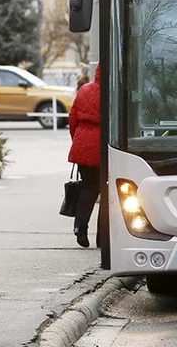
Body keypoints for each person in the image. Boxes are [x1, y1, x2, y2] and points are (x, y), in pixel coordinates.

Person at [68, 64, 102, 248]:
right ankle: (103, 237)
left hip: (83, 144)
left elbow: (72, 119)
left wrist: (78, 141)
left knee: (88, 189)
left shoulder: (84, 89)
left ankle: (80, 226)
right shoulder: (115, 91)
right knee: (109, 193)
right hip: (105, 146)